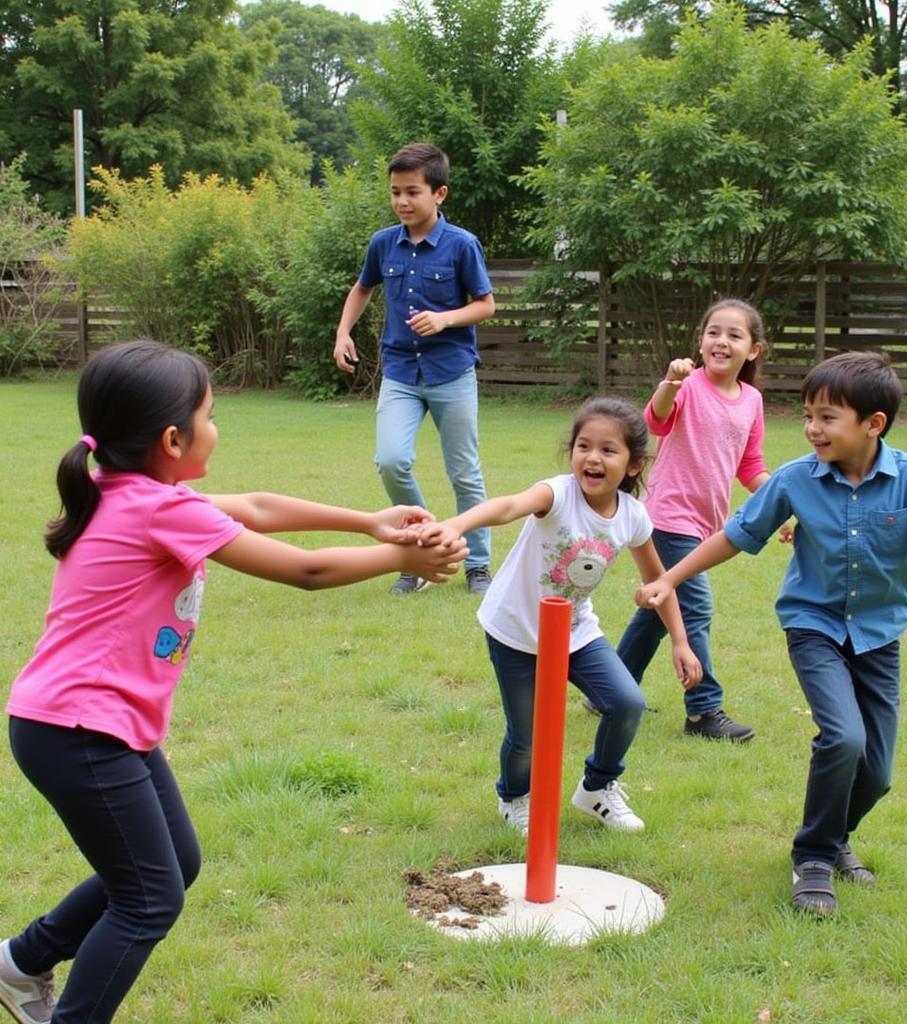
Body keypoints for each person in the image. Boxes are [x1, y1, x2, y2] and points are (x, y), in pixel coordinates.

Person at [0, 340, 466, 1024]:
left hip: (85, 724)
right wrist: (403, 557)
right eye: (211, 416)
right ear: (171, 438)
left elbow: (254, 504)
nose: (218, 429)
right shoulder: (157, 509)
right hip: (79, 729)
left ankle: (22, 962)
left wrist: (367, 520)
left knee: (172, 866)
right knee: (149, 898)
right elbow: (304, 572)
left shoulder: (132, 491)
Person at [636, 351, 907, 915]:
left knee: (879, 771)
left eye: (827, 417)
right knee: (843, 737)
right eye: (809, 414)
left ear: (873, 424)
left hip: (879, 634)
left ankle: (835, 839)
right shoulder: (794, 480)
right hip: (812, 626)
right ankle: (813, 858)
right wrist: (669, 577)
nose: (812, 427)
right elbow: (737, 535)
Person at [418, 397, 703, 836]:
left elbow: (660, 581)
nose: (592, 457)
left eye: (608, 450)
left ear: (633, 464)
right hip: (515, 630)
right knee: (526, 735)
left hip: (574, 631)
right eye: (583, 446)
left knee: (627, 703)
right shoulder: (557, 493)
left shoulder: (632, 516)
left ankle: (597, 788)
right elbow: (509, 506)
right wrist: (457, 525)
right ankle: (513, 797)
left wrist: (681, 642)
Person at [333, 141, 496, 597]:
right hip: (401, 373)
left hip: (452, 372)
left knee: (464, 472)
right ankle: (424, 549)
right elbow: (362, 288)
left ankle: (477, 564)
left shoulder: (462, 245)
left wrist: (445, 318)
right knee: (390, 461)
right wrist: (343, 332)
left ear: (438, 194)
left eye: (412, 192)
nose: (402, 201)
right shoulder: (383, 243)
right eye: (395, 192)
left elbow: (486, 305)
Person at [615, 299, 770, 742]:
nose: (721, 341)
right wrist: (669, 382)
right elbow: (655, 422)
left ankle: (607, 685)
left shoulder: (752, 401)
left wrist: (781, 501)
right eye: (713, 332)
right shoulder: (687, 385)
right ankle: (704, 711)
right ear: (701, 341)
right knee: (694, 605)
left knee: (659, 611)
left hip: (706, 524)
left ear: (753, 350)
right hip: (667, 515)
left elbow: (751, 464)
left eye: (734, 335)